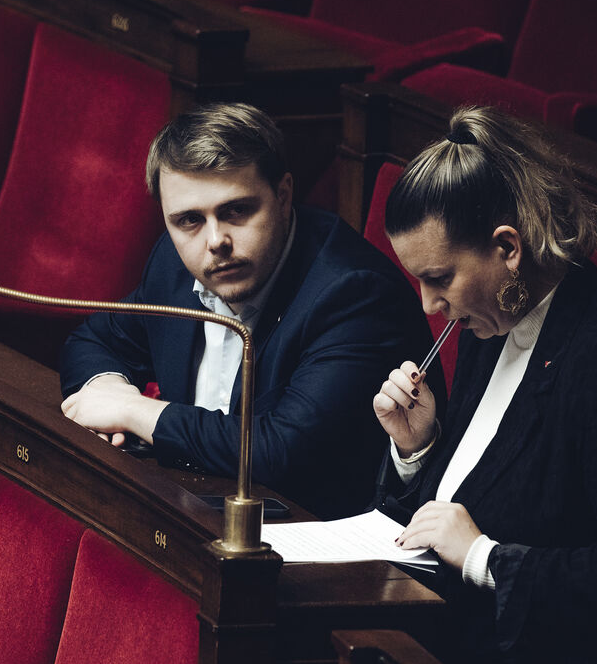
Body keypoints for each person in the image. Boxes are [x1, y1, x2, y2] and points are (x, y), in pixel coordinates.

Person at [372, 105, 597, 664]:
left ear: (508, 247)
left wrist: (487, 560)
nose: (428, 305)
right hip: (453, 643)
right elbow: (461, 508)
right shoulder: (492, 320)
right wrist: (416, 448)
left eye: (439, 278)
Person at [59, 103, 435, 519]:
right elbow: (94, 340)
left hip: (306, 537)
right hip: (188, 510)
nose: (215, 241)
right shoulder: (173, 262)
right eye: (189, 220)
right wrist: (109, 390)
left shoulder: (354, 293)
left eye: (236, 210)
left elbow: (280, 450)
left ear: (283, 196)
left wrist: (134, 412)